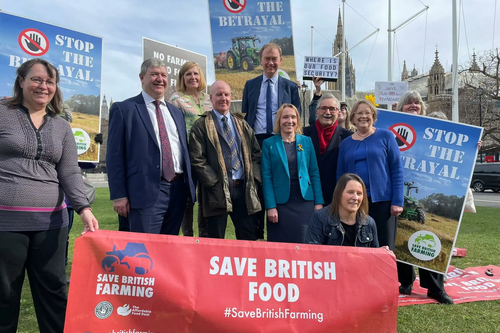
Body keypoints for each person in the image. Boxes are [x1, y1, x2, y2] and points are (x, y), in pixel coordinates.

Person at [0, 58, 99, 333]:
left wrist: (84, 208)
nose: (43, 86)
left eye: (50, 81)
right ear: (21, 81)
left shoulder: (61, 126)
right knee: (4, 298)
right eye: (37, 79)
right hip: (5, 226)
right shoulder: (2, 113)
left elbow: (69, 172)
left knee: (55, 295)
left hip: (52, 225)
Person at [107, 58, 195, 235]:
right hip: (144, 192)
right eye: (154, 74)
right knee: (144, 253)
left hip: (178, 191)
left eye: (163, 75)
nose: (160, 79)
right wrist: (119, 195)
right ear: (142, 78)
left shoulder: (176, 112)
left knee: (167, 252)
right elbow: (114, 156)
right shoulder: (124, 109)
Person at [396, 93, 454, 304]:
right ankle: (405, 281)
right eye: (408, 103)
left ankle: (434, 288)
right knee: (398, 236)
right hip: (396, 189)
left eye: (416, 103)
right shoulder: (393, 130)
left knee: (429, 238)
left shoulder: (435, 132)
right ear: (400, 108)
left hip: (420, 183)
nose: (413, 106)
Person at [242, 42, 302, 239]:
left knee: (281, 185)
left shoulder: (291, 87)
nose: (270, 63)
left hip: (281, 142)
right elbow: (245, 115)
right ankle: (257, 235)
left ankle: (281, 235)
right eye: (267, 59)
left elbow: (297, 117)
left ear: (280, 60)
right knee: (257, 188)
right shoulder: (250, 85)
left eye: (274, 59)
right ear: (260, 61)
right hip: (256, 143)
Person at [189, 81, 261, 240]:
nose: (223, 98)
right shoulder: (201, 126)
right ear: (210, 98)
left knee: (248, 241)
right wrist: (214, 183)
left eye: (226, 94)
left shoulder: (242, 124)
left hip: (243, 190)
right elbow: (196, 158)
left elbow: (256, 153)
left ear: (231, 97)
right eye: (219, 94)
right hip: (216, 192)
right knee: (214, 242)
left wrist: (254, 179)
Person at [336, 100, 404, 250]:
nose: (363, 116)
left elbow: (397, 169)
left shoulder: (386, 136)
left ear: (373, 116)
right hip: (355, 202)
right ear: (352, 117)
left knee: (384, 247)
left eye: (367, 113)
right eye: (359, 113)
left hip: (383, 202)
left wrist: (398, 201)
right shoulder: (346, 143)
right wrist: (341, 200)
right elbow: (340, 175)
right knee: (359, 246)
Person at [261, 104, 324, 243]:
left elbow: (314, 173)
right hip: (280, 204)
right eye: (285, 117)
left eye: (293, 117)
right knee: (280, 245)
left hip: (304, 202)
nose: (289, 121)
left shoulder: (306, 142)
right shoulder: (269, 144)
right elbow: (266, 177)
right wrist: (271, 206)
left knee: (304, 242)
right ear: (279, 120)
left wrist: (318, 202)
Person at [170, 62, 212, 238]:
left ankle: (204, 237)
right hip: (186, 153)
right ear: (182, 78)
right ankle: (187, 236)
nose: (193, 77)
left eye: (196, 74)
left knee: (206, 198)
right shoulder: (176, 99)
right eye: (188, 74)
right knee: (188, 198)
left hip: (208, 154)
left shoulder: (208, 98)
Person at [304, 93, 353, 204]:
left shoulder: (348, 137)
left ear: (338, 112)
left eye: (332, 109)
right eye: (324, 108)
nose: (327, 112)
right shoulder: (303, 135)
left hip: (336, 196)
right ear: (317, 111)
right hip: (307, 195)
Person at [305, 173, 379, 247]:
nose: (355, 198)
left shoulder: (369, 222)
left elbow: (374, 255)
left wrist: (383, 253)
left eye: (359, 194)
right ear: (339, 194)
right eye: (350, 192)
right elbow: (312, 252)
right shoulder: (319, 217)